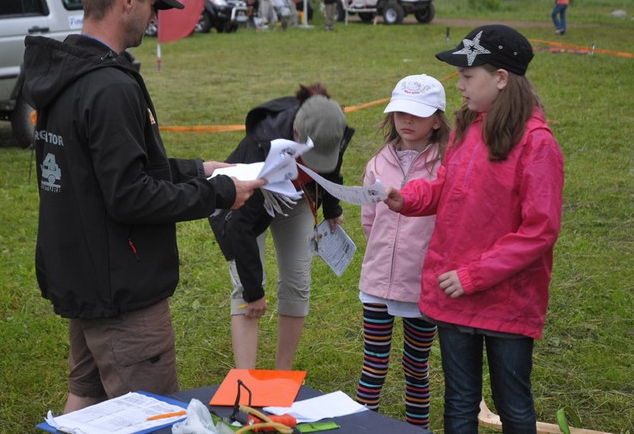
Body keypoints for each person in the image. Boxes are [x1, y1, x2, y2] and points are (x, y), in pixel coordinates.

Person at [21, 0, 265, 413]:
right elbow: (129, 196)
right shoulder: (109, 86)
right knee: (152, 415)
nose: (154, 16)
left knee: (87, 401)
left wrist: (198, 170)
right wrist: (220, 193)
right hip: (123, 294)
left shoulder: (67, 70)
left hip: (85, 274)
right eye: (153, 4)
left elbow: (102, 171)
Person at [384, 25, 564, 433]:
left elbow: (539, 230)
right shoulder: (468, 127)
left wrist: (473, 276)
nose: (459, 86)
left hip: (505, 301)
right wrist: (409, 198)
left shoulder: (538, 145)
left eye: (467, 76)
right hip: (455, 295)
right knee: (460, 400)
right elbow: (448, 185)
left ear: (501, 78)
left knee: (513, 405)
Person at [210, 84, 353, 370]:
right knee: (246, 287)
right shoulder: (259, 147)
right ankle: (244, 380)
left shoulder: (330, 124)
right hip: (251, 199)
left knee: (298, 281)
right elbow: (241, 227)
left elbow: (331, 171)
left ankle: (282, 377)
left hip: (296, 199)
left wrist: (332, 208)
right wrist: (254, 294)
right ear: (296, 134)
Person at [355, 74, 450, 428]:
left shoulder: (446, 164)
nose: (407, 121)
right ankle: (364, 425)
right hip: (378, 282)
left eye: (417, 114)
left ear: (438, 119)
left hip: (421, 286)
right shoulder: (378, 162)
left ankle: (417, 428)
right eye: (400, 113)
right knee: (373, 363)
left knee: (416, 366)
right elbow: (369, 219)